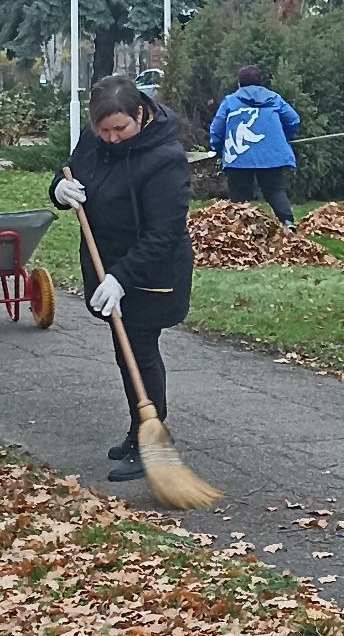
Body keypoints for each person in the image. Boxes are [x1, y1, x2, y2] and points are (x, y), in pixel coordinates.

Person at [50, 75, 194, 482]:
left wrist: (121, 278)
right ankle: (138, 432)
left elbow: (164, 232)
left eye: (120, 129)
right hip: (106, 264)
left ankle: (151, 439)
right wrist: (60, 191)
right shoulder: (93, 139)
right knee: (124, 349)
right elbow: (72, 174)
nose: (111, 138)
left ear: (140, 115)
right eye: (104, 129)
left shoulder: (165, 158)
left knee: (140, 351)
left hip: (152, 271)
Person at [209, 65, 301, 229]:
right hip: (272, 155)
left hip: (239, 156)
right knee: (275, 191)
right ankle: (288, 223)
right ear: (261, 82)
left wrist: (216, 148)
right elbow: (293, 120)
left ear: (239, 84)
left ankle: (239, 230)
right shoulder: (274, 98)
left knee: (240, 196)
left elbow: (217, 128)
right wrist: (280, 139)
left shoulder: (230, 101)